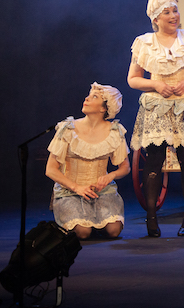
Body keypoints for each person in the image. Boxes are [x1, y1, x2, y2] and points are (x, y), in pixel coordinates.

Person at [128, 0, 184, 237]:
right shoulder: (144, 43)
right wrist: (155, 84)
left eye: (175, 10)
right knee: (154, 159)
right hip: (157, 105)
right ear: (155, 18)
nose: (173, 15)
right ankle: (151, 218)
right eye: (166, 12)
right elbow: (133, 79)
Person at [45, 83, 130, 240]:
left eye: (94, 97)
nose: (87, 98)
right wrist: (76, 187)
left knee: (113, 231)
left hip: (102, 193)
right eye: (89, 95)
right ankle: (75, 221)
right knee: (83, 233)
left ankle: (95, 222)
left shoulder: (114, 131)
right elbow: (50, 169)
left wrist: (110, 176)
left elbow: (125, 167)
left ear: (104, 108)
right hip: (70, 191)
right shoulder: (68, 129)